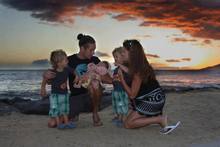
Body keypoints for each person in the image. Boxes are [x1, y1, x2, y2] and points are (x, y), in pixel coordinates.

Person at [43, 33, 112, 127]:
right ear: (82, 48)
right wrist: (46, 76)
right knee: (54, 123)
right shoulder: (69, 60)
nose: (93, 52)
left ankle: (95, 113)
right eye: (91, 50)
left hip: (92, 97)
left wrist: (97, 75)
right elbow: (54, 77)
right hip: (76, 97)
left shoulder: (95, 60)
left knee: (94, 86)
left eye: (94, 50)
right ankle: (75, 113)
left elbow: (109, 80)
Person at [118, 39, 180, 134]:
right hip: (157, 97)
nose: (122, 54)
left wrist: (121, 79)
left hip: (152, 101)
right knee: (131, 120)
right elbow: (130, 73)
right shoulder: (141, 65)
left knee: (128, 124)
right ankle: (155, 117)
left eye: (124, 52)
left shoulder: (137, 71)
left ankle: (159, 119)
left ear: (132, 54)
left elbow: (132, 95)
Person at [40, 49, 76, 129]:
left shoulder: (67, 69)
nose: (67, 61)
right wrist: (43, 88)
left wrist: (77, 77)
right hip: (55, 95)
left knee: (65, 109)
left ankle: (66, 123)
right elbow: (45, 78)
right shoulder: (52, 72)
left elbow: (74, 71)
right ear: (59, 63)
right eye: (65, 60)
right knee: (55, 110)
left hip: (65, 94)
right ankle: (59, 123)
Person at [111, 47, 129, 127]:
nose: (115, 58)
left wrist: (120, 65)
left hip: (122, 91)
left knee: (122, 105)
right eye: (114, 57)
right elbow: (114, 80)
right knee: (116, 105)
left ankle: (122, 120)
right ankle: (118, 117)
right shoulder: (116, 69)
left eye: (116, 56)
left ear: (123, 57)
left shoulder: (125, 67)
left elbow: (128, 72)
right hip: (116, 91)